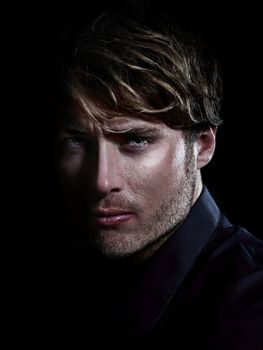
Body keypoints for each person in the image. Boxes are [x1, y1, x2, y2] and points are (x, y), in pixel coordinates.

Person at [46, 2, 262, 348]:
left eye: (135, 140)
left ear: (202, 146)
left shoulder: (248, 317)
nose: (101, 181)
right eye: (77, 142)